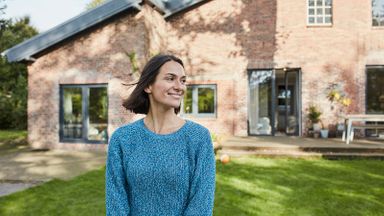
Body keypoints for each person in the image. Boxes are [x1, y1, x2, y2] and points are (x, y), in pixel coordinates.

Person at [105, 54, 216, 215]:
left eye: (183, 80)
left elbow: (201, 205)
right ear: (148, 86)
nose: (180, 87)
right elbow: (116, 204)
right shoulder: (123, 139)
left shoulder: (198, 138)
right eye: (171, 78)